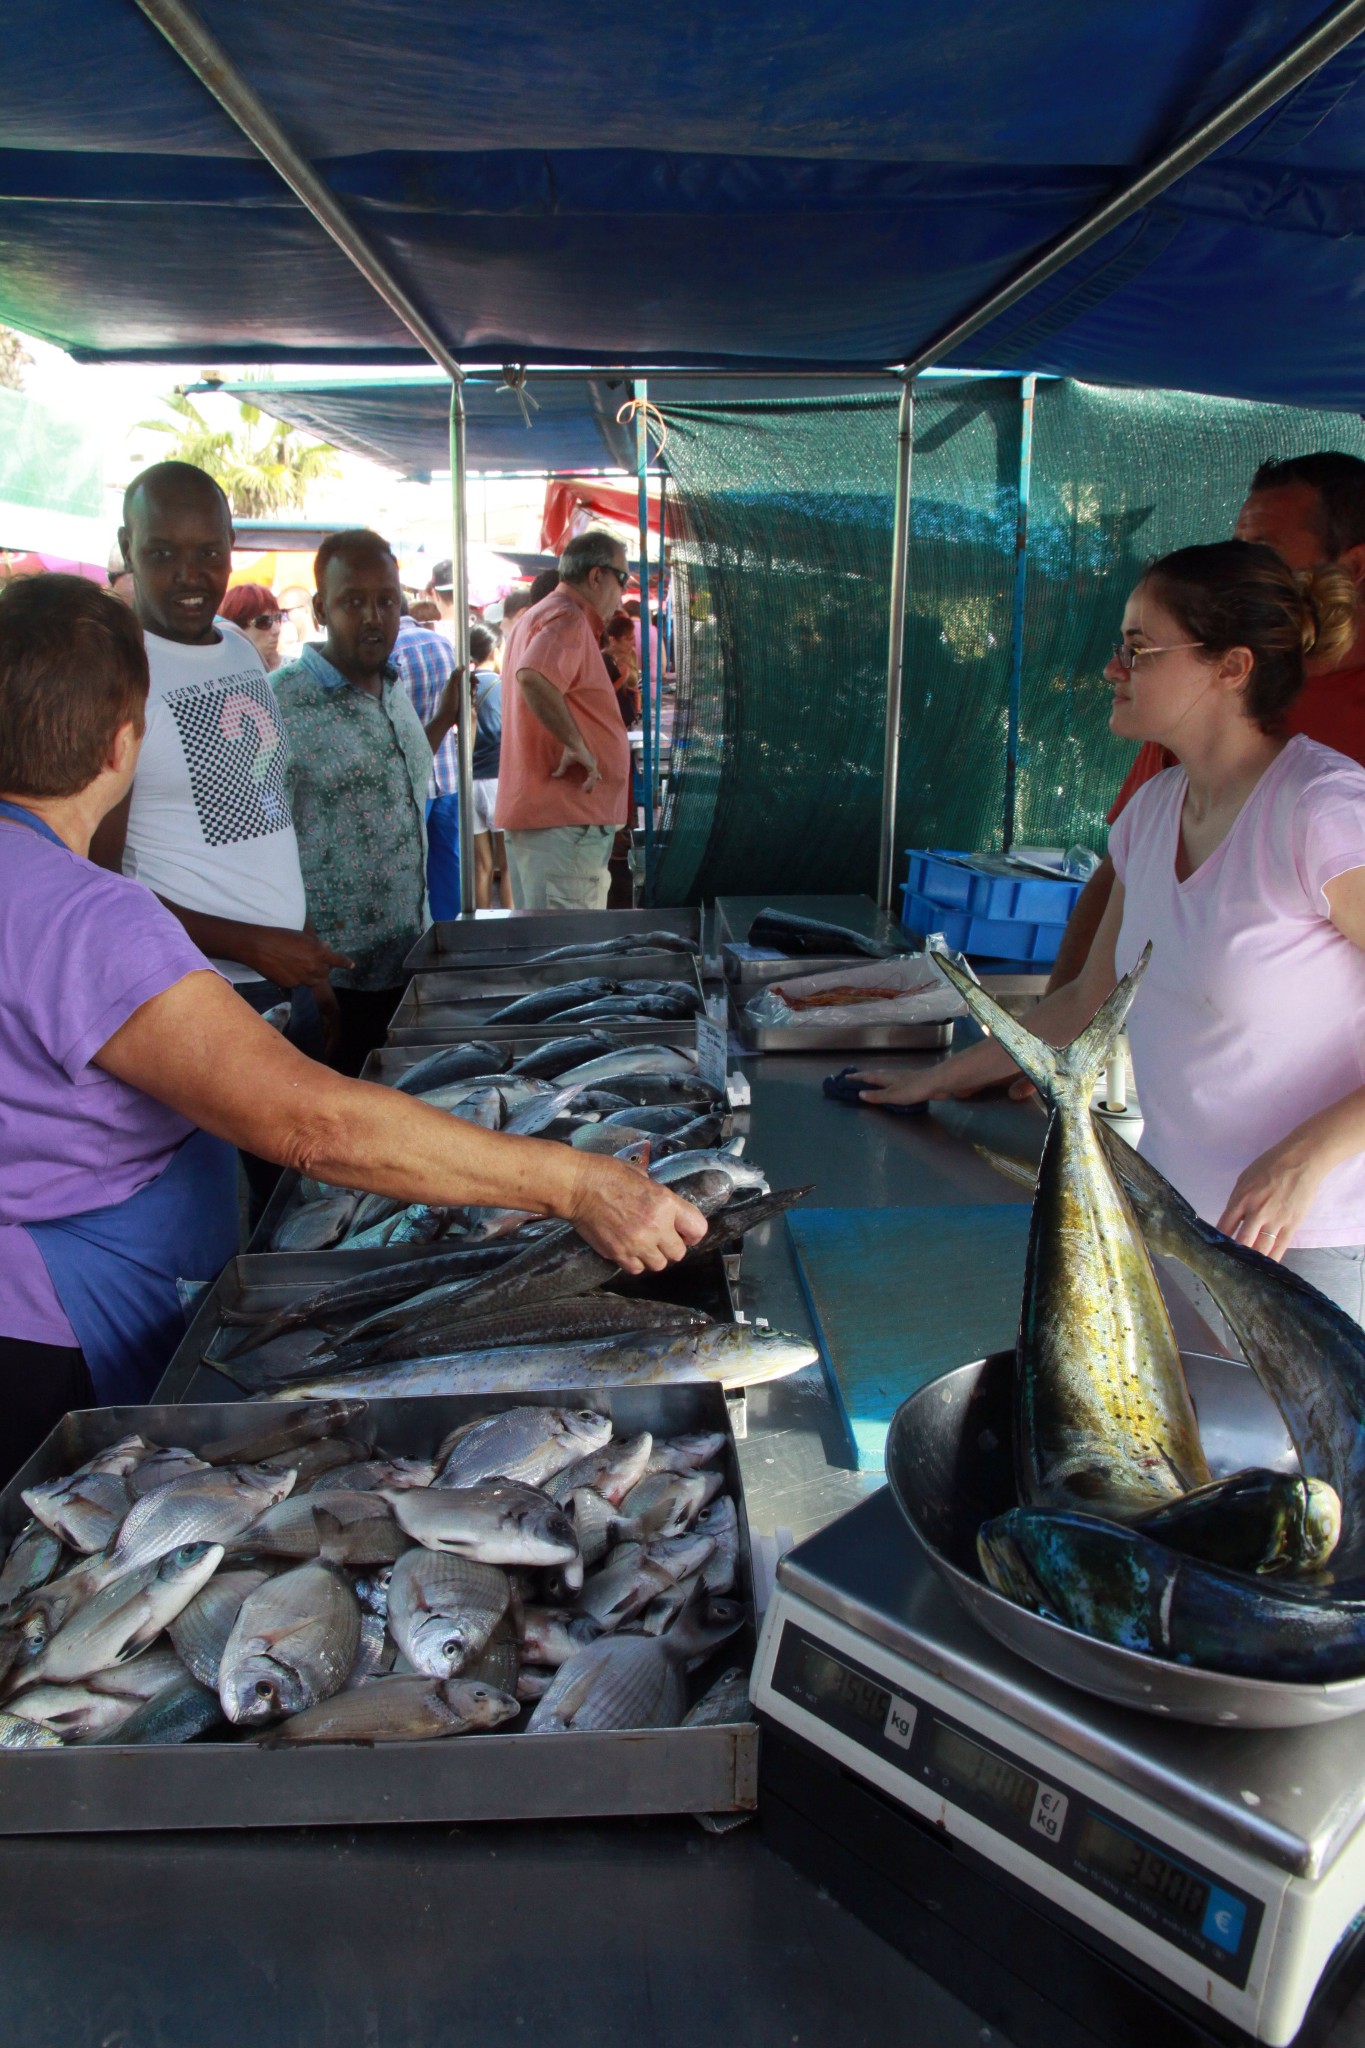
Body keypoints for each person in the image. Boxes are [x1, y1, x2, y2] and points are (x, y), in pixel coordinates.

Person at [0, 575, 707, 1478]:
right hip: (52, 1329)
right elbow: (310, 1124)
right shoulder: (84, 918)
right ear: (122, 741)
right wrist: (576, 1185)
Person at [854, 541, 1365, 1317]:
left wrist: (1304, 1157)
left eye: (1137, 648)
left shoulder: (1322, 813)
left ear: (1230, 668)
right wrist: (939, 1079)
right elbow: (1088, 999)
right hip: (1173, 1217)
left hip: (1318, 1237)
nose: (1111, 670)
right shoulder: (1155, 812)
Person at [1048, 452, 1365, 991]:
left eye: (1261, 550)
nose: (1236, 565)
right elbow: (1122, 871)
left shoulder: (1326, 797)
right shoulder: (1202, 711)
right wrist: (1049, 1038)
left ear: (1353, 568)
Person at [91, 462, 347, 1055]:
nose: (189, 576)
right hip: (199, 993)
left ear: (232, 546)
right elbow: (97, 888)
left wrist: (305, 956)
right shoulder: (116, 678)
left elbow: (265, 815)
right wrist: (246, 944)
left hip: (288, 976)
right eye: (160, 553)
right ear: (128, 547)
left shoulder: (236, 647)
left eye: (208, 552)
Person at [273, 530, 461, 1077]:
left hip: (407, 963)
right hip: (335, 984)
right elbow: (266, 850)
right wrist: (313, 980)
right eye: (352, 601)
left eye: (386, 600)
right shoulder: (282, 702)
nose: (374, 616)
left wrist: (445, 719)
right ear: (320, 609)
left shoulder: (393, 686)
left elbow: (393, 775)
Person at [495, 530, 631, 911]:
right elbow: (534, 676)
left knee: (547, 953)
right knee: (570, 958)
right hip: (565, 826)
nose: (621, 595)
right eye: (622, 579)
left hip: (549, 823)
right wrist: (577, 744)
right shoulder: (567, 617)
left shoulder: (539, 614)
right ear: (596, 576)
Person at [393, 592, 460, 921]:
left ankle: (421, 932)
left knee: (413, 865)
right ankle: (451, 931)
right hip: (447, 771)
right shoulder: (441, 643)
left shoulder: (391, 650)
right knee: (448, 861)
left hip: (412, 775)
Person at [467, 624, 511, 909]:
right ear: (495, 651)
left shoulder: (464, 685)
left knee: (482, 867)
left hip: (470, 783)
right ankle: (512, 931)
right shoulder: (501, 686)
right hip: (498, 782)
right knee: (507, 866)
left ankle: (479, 930)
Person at [220, 581, 286, 673]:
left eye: (278, 618)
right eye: (264, 622)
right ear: (236, 628)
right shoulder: (221, 676)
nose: (276, 630)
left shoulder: (295, 671)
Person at [603, 608, 642, 726]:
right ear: (613, 640)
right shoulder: (603, 661)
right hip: (611, 721)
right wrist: (622, 678)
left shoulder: (631, 655)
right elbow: (602, 696)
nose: (634, 643)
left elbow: (634, 687)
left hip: (625, 719)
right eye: (629, 639)